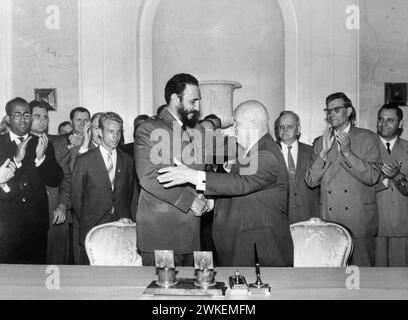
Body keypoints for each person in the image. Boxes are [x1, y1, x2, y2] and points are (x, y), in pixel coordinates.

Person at [158, 100, 294, 267]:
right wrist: (212, 202)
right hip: (242, 246)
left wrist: (191, 175)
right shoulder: (254, 151)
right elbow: (241, 192)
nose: (233, 128)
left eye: (237, 122)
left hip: (259, 251)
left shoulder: (266, 154)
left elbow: (240, 183)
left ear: (254, 124)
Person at [134, 73, 209, 267]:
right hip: (161, 233)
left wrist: (206, 196)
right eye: (193, 101)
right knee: (160, 292)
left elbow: (199, 171)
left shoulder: (196, 130)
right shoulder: (149, 128)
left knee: (192, 294)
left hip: (191, 231)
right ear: (175, 99)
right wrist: (190, 200)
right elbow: (149, 177)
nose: (198, 107)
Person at [305, 92, 382, 266]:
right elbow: (310, 181)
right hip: (330, 223)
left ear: (348, 111)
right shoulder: (320, 142)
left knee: (359, 279)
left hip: (359, 221)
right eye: (328, 110)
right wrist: (323, 154)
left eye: (337, 109)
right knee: (334, 279)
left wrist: (348, 153)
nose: (331, 114)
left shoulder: (367, 138)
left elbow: (372, 177)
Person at [0, 97, 63, 264]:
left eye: (27, 115)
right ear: (8, 119)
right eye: (17, 115)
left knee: (35, 279)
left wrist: (41, 158)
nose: (23, 120)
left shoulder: (42, 144)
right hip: (6, 225)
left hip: (35, 225)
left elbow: (56, 179)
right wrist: (16, 159)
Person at [71, 112, 135, 264]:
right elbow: (76, 198)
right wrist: (89, 219)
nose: (115, 136)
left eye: (118, 132)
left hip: (121, 226)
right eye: (111, 131)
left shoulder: (127, 160)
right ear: (99, 132)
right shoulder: (85, 161)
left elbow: (130, 193)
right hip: (92, 228)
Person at [29, 100, 72, 264]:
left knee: (55, 263)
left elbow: (66, 178)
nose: (42, 120)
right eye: (37, 116)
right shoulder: (19, 141)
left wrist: (62, 205)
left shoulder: (58, 142)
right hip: (29, 212)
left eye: (45, 117)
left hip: (53, 208)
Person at [375, 104, 408, 267]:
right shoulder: (367, 147)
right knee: (374, 278)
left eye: (390, 120)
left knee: (400, 277)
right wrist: (384, 180)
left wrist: (397, 176)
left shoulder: (407, 148)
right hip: (374, 222)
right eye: (380, 119)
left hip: (401, 222)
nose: (384, 124)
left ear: (400, 124)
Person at [276, 111, 319, 224]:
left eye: (289, 126)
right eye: (281, 126)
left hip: (308, 218)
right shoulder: (269, 153)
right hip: (279, 219)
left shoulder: (312, 152)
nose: (284, 129)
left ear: (298, 129)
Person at [68, 107, 91, 171]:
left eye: (86, 120)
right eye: (78, 120)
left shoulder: (95, 140)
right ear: (71, 122)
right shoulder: (62, 140)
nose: (82, 123)